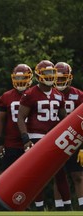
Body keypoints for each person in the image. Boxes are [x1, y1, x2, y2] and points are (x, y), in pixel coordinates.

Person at [17, 60, 72, 211]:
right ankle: (39, 208)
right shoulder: (30, 94)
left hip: (54, 138)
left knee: (60, 173)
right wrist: (25, 138)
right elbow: (20, 117)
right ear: (38, 75)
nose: (50, 76)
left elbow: (65, 119)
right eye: (47, 73)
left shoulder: (59, 95)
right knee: (37, 175)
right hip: (36, 137)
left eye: (52, 73)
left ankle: (68, 207)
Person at [53, 62, 83, 210]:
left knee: (78, 175)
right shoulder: (50, 94)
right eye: (57, 78)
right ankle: (61, 208)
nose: (59, 81)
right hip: (55, 140)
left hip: (75, 139)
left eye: (62, 78)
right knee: (58, 177)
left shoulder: (79, 95)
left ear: (69, 77)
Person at [0, 64, 33, 170]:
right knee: (9, 177)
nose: (20, 80)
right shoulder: (6, 97)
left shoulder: (36, 94)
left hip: (31, 141)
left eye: (23, 77)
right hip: (11, 144)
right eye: (17, 78)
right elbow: (0, 121)